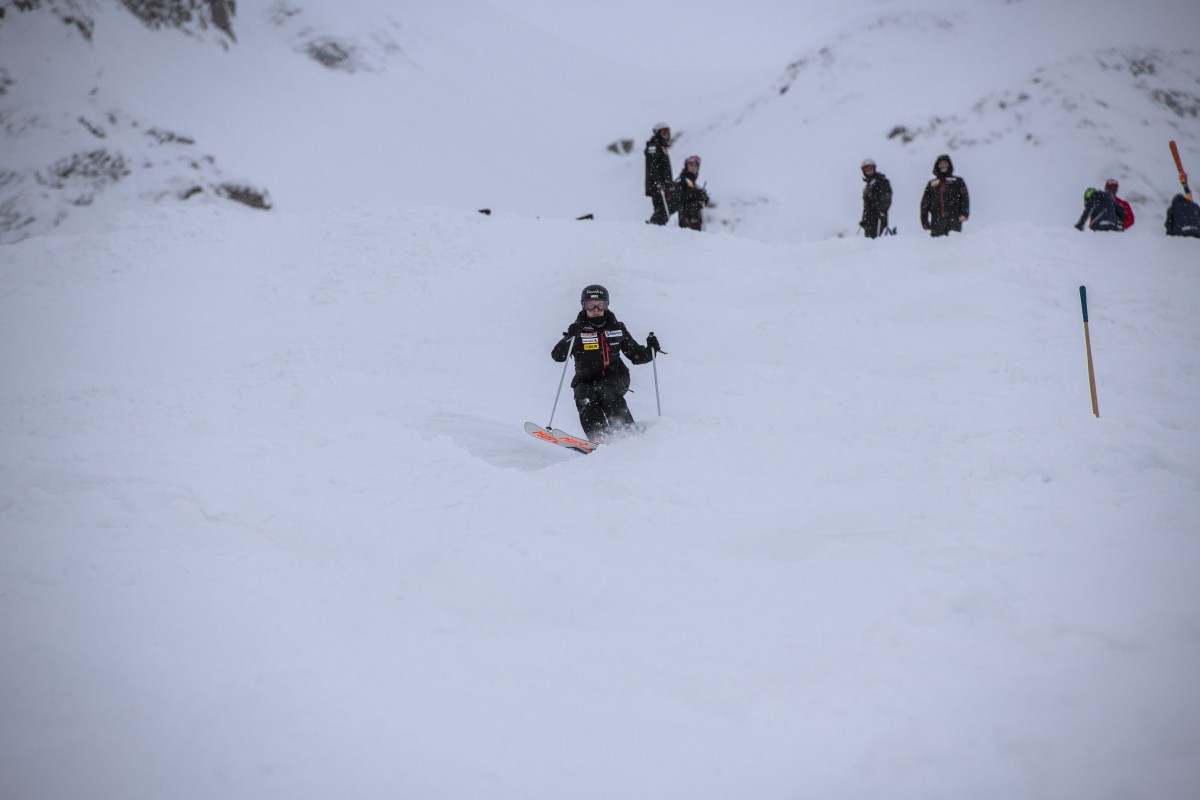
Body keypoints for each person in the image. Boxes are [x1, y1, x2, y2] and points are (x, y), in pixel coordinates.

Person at [551, 285, 663, 441]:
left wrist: (651, 349)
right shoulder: (578, 330)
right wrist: (570, 337)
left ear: (607, 304)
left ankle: (626, 433)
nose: (596, 308)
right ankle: (600, 437)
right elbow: (558, 356)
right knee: (584, 395)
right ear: (583, 305)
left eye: (600, 304)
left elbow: (636, 356)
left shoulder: (617, 328)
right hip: (585, 380)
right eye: (590, 305)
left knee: (605, 391)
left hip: (616, 376)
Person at [920, 154, 969, 237]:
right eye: (941, 164)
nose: (943, 165)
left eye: (945, 163)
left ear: (949, 165)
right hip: (936, 219)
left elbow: (964, 198)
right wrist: (924, 220)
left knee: (954, 243)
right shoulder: (932, 184)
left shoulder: (957, 181)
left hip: (954, 217)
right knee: (937, 245)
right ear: (937, 166)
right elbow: (925, 203)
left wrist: (964, 213)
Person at [859, 158, 892, 238]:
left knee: (877, 241)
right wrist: (864, 219)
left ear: (874, 169)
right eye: (866, 169)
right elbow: (867, 205)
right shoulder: (869, 184)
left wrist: (881, 210)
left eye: (871, 168)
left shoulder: (881, 181)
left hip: (878, 218)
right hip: (869, 220)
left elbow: (887, 197)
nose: (869, 171)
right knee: (869, 243)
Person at [676, 155, 709, 231]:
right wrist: (696, 193)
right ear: (686, 166)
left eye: (696, 165)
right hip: (686, 218)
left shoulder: (693, 183)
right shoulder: (682, 180)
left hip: (695, 218)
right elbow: (679, 196)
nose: (693, 167)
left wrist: (704, 197)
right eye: (691, 165)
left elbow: (705, 200)